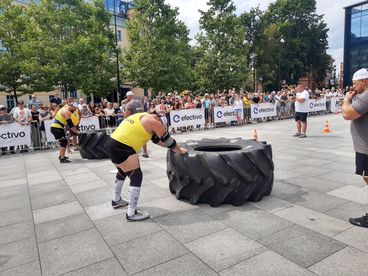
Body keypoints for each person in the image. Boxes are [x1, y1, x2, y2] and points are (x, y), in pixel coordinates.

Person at [108, 110, 187, 221]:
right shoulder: (155, 122)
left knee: (122, 171)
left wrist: (170, 147)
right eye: (162, 127)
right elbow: (167, 140)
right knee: (136, 175)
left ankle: (116, 200)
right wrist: (179, 150)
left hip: (112, 143)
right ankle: (131, 213)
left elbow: (156, 140)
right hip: (123, 147)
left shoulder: (142, 115)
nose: (161, 129)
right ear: (159, 120)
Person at [342, 68, 368, 227]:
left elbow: (347, 114)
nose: (352, 87)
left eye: (355, 83)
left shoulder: (366, 96)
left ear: (364, 81)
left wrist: (346, 100)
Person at [124, 91, 149, 157]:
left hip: (133, 124)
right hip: (141, 122)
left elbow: (126, 116)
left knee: (132, 138)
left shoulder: (129, 104)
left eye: (127, 96)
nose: (126, 98)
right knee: (143, 138)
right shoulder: (140, 103)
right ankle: (145, 152)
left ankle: (133, 153)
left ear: (129, 96)